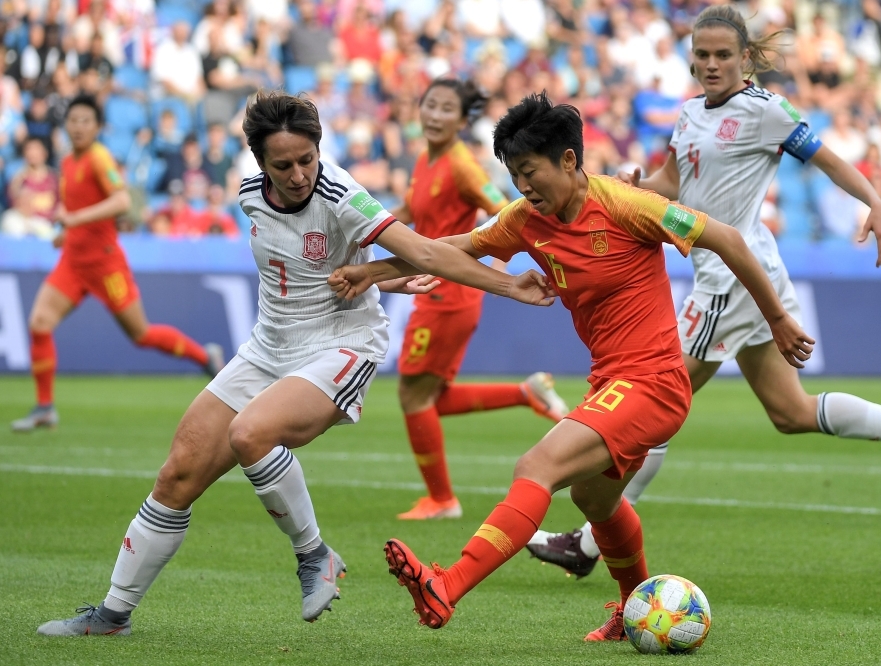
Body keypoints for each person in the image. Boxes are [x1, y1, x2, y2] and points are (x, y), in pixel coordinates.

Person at [37, 90, 554, 637]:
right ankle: (112, 613)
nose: (299, 173)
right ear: (259, 163)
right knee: (177, 471)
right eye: (283, 164)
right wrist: (381, 275)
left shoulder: (340, 194)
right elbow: (320, 265)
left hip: (341, 343)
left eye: (307, 159)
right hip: (267, 346)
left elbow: (424, 250)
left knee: (251, 434)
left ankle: (315, 556)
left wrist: (508, 286)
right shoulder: (248, 193)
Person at [328, 91, 813, 640]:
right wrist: (372, 273)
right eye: (514, 175)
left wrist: (776, 318)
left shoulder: (627, 204)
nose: (523, 188)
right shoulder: (525, 219)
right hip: (612, 382)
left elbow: (725, 237)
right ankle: (634, 611)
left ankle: (447, 584)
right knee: (594, 498)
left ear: (568, 160)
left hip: (654, 382)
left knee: (536, 467)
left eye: (530, 172)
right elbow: (452, 248)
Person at [527, 5, 881, 582]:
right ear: (691, 58)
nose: (712, 64)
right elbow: (676, 183)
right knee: (790, 412)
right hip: (735, 272)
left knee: (651, 399)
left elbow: (830, 160)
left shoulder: (764, 112)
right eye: (704, 55)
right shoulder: (689, 113)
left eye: (724, 55)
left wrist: (877, 202)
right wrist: (638, 186)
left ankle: (590, 543)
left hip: (730, 276)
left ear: (745, 58)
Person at [391, 78, 569, 521]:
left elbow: (505, 207)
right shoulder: (424, 159)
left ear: (463, 119)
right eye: (429, 104)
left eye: (446, 108)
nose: (434, 115)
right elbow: (410, 214)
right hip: (434, 288)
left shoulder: (462, 166)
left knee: (413, 396)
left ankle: (441, 499)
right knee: (430, 396)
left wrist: (501, 256)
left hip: (449, 291)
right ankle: (526, 392)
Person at [11, 95, 224, 433]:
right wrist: (65, 235)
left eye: (86, 121)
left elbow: (123, 200)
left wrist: (75, 219)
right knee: (39, 323)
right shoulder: (67, 162)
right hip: (73, 262)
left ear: (97, 127)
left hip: (106, 265)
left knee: (140, 334)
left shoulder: (98, 158)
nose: (78, 126)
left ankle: (205, 357)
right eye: (74, 120)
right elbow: (76, 214)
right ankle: (45, 407)